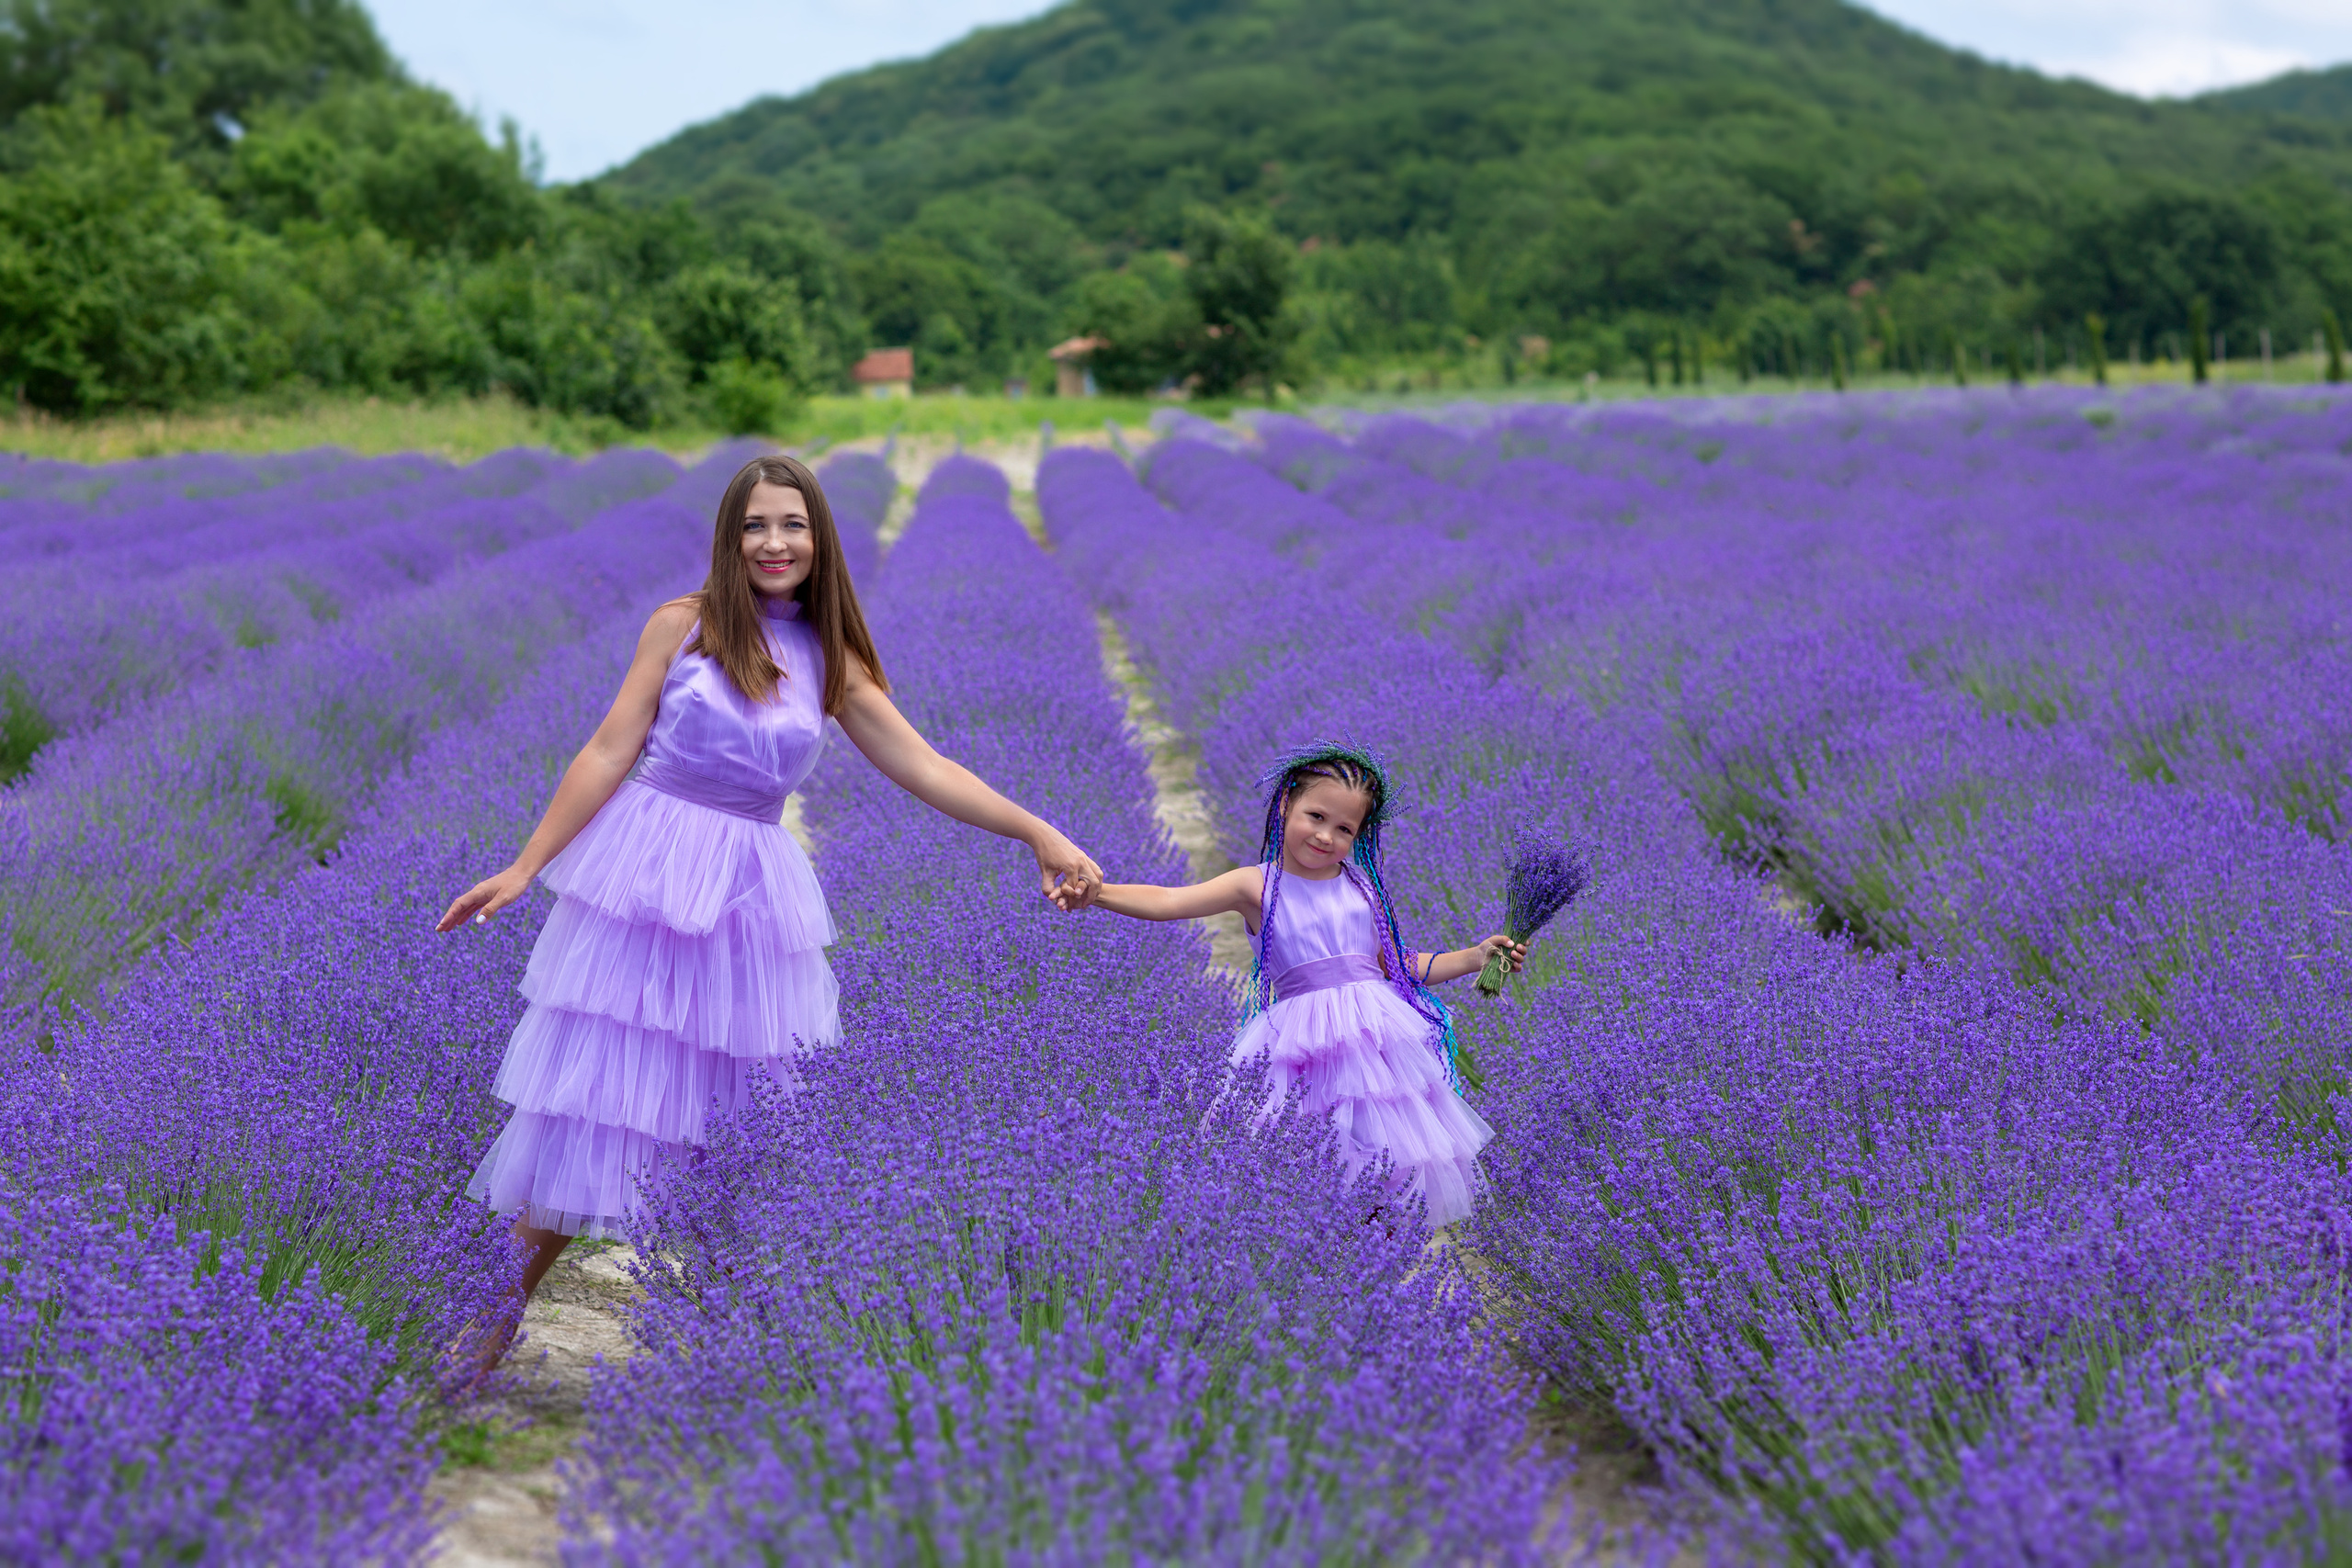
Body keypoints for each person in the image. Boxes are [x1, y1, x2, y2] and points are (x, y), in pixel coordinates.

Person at [435, 454, 1102, 1367]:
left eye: (792, 524)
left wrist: (1037, 831)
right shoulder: (684, 625)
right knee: (594, 1102)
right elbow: (608, 749)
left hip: (748, 892)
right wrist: (526, 865)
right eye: (755, 525)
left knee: (736, 1121)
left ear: (820, 538)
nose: (774, 542)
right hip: (648, 876)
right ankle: (491, 1323)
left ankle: (722, 1353)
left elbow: (925, 767)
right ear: (730, 536)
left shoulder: (833, 658)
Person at [1083, 744, 1519, 1226]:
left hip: (1374, 1046)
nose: (1326, 836)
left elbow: (1397, 965)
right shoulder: (1256, 885)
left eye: (1345, 829)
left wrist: (1474, 957)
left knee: (1386, 1167)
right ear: (1287, 804)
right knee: (1309, 1167)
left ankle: (1376, 1256)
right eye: (1316, 816)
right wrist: (1097, 893)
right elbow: (1169, 901)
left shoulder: (1362, 886)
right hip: (1302, 1049)